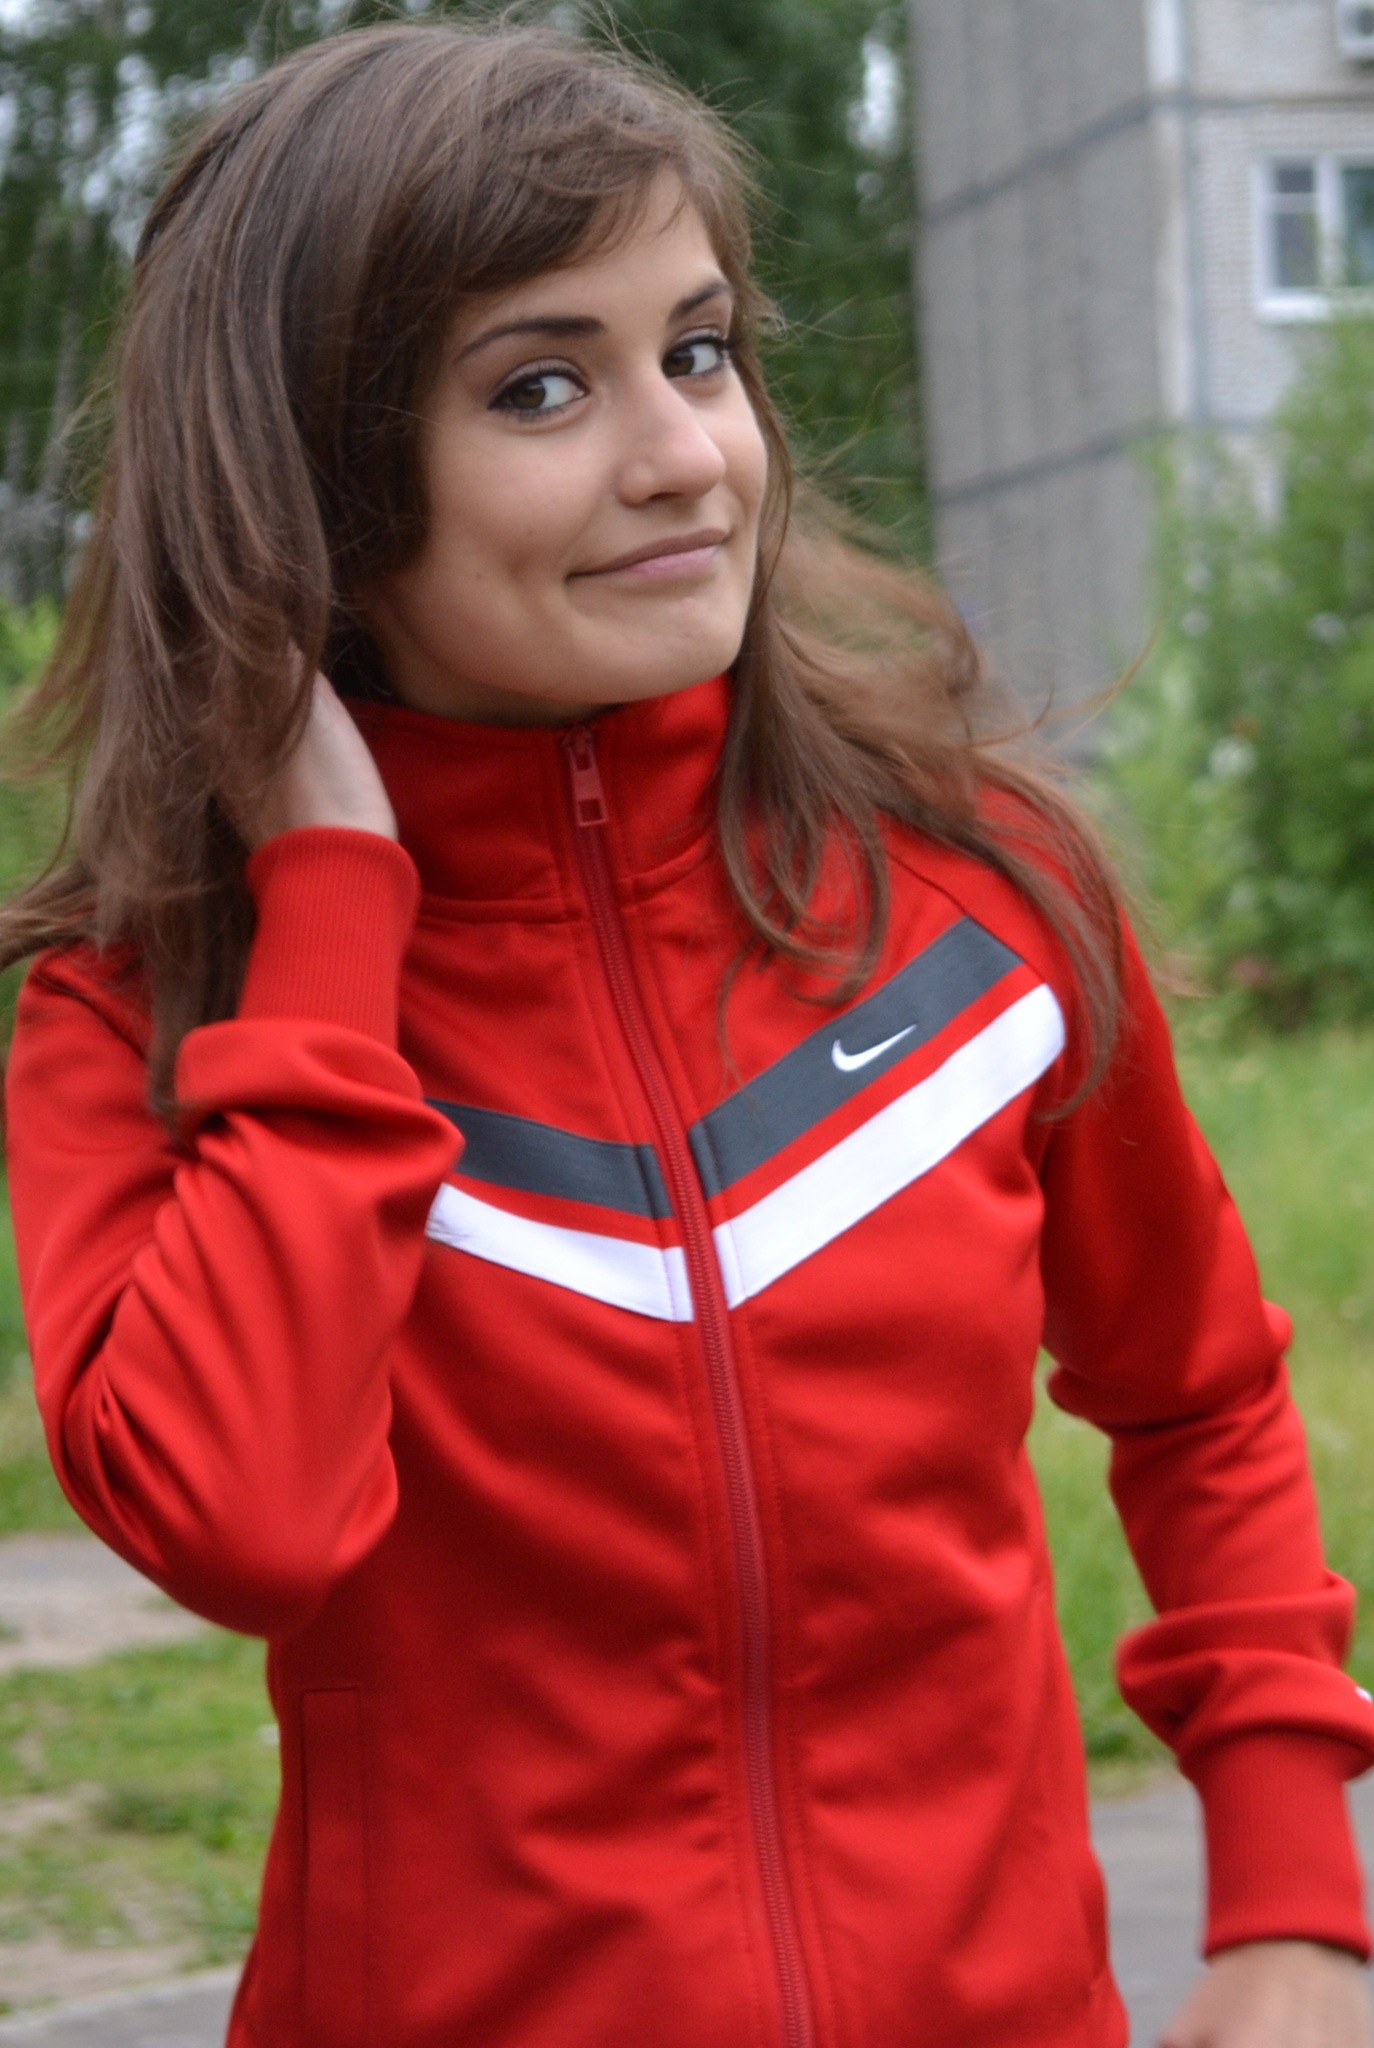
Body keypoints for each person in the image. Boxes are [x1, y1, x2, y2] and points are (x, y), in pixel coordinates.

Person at [1, 22, 1371, 2047]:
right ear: (312, 485)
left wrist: (1291, 1902)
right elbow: (244, 1523)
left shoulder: (980, 900)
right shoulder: (150, 1013)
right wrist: (333, 904)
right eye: (541, 386)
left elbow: (1200, 1394)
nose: (685, 457)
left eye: (701, 351)